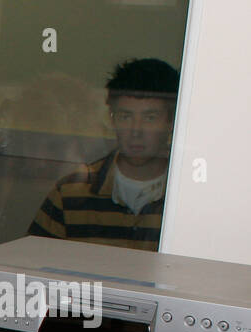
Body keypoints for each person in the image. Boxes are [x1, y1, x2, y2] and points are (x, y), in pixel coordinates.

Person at [28, 58, 179, 251]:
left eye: (150, 118)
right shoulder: (70, 193)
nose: (136, 130)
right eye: (125, 116)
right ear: (112, 119)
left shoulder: (187, 198)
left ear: (171, 122)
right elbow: (31, 270)